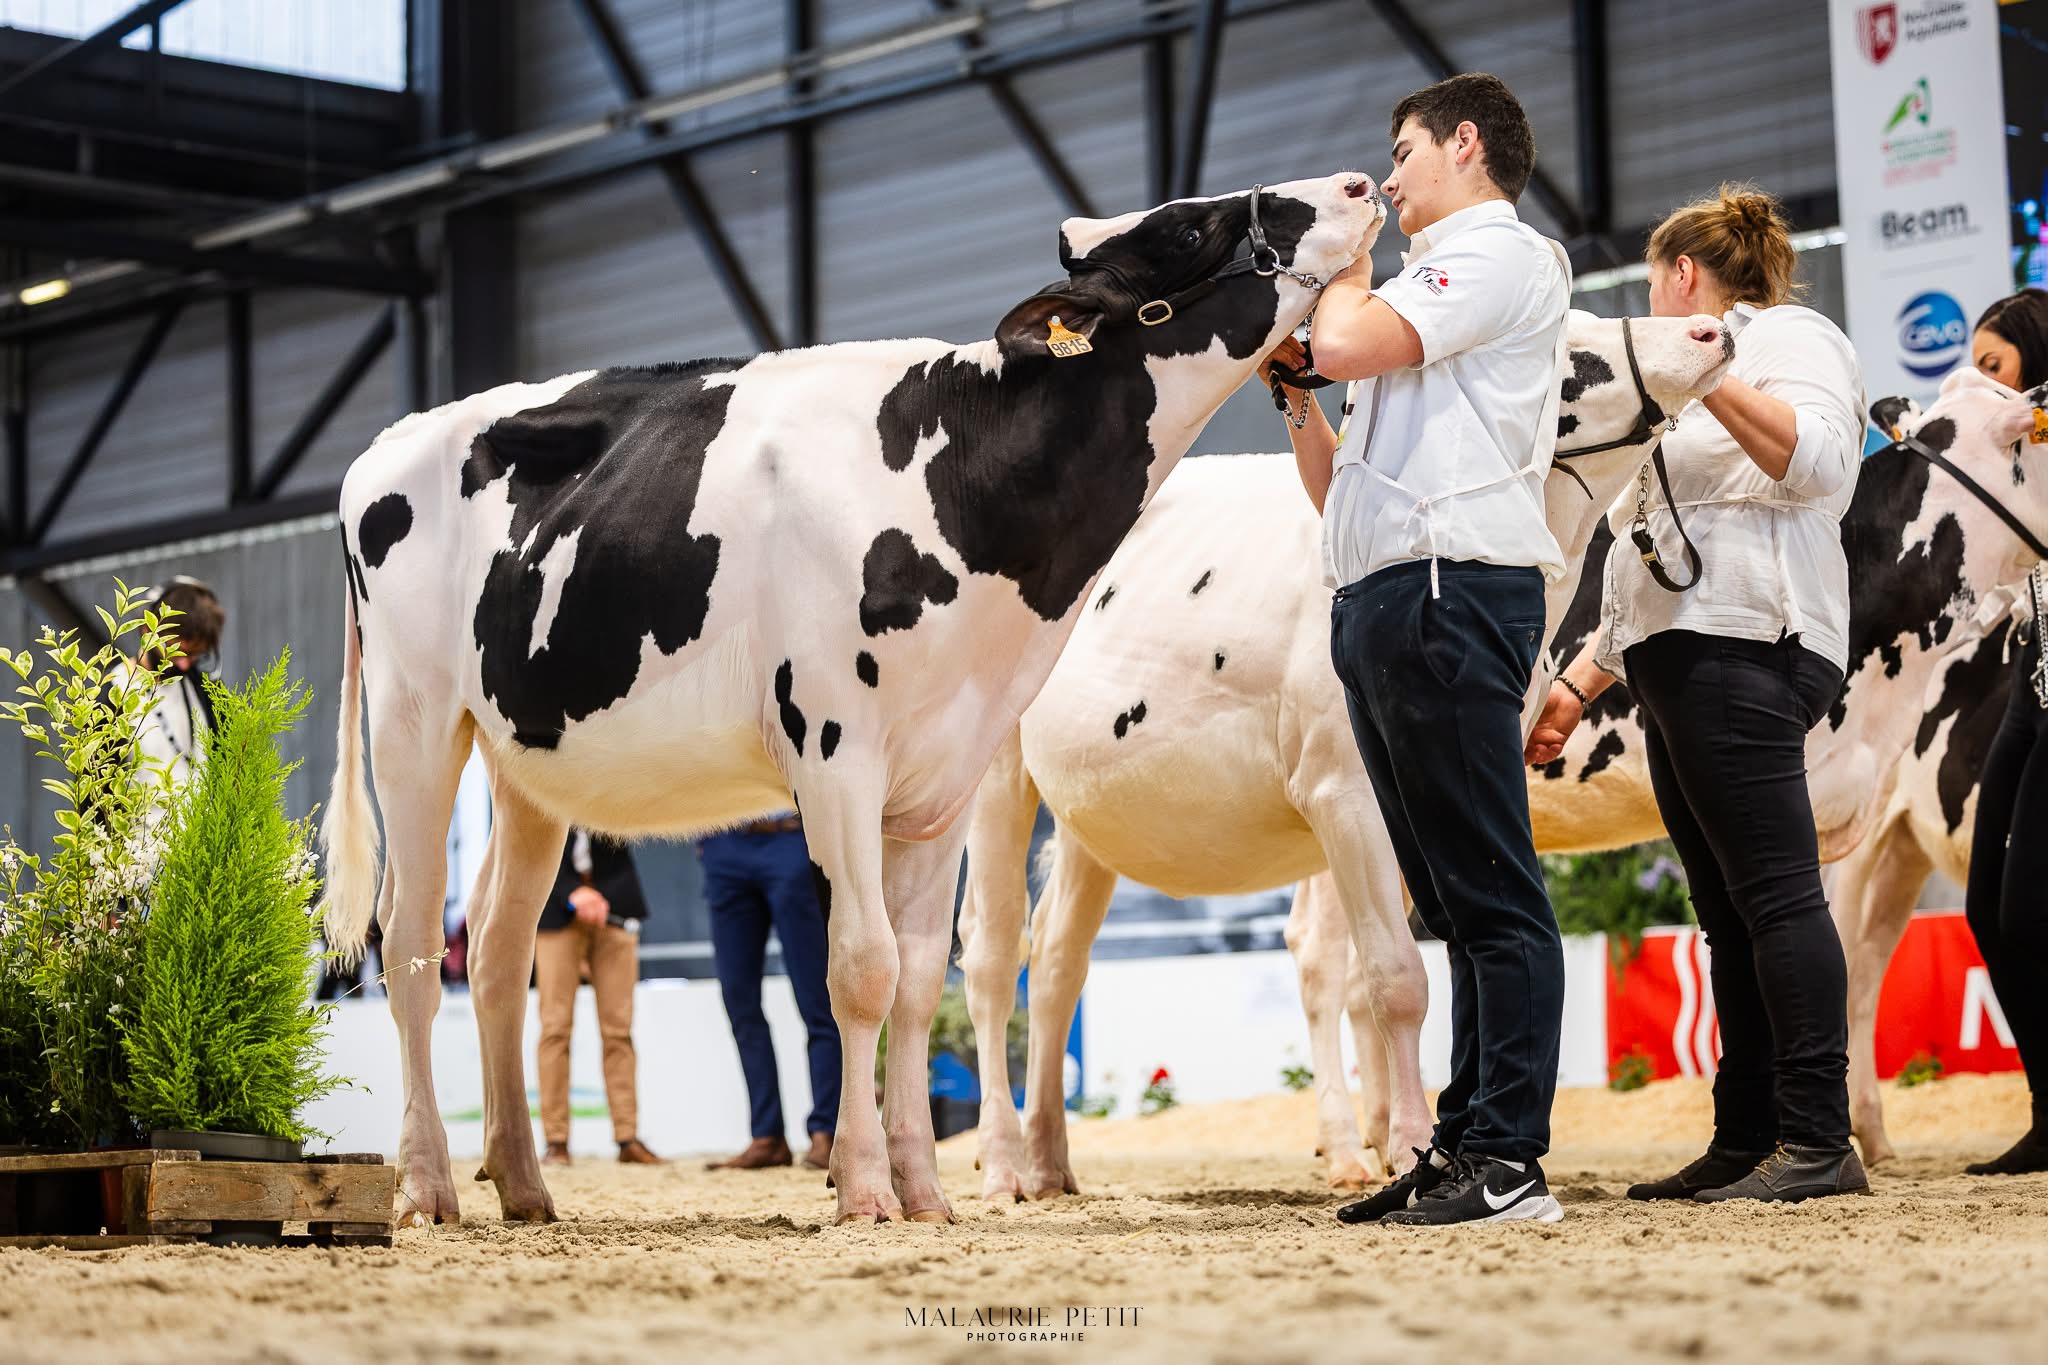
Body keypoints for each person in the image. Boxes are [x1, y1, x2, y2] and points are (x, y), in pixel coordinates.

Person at [1266, 72, 1571, 1227]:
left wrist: (1339, 256)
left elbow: (1344, 340)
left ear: (1465, 143)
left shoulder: (1498, 254)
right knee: (1451, 898)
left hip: (1450, 589)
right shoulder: (1420, 291)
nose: (1386, 181)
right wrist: (1294, 399)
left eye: (1399, 156)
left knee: (1491, 891)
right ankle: (1462, 1146)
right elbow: (1335, 484)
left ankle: (1508, 1160)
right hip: (1385, 592)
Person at [1527, 185, 1867, 1203]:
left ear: (1681, 275)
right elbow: (1652, 549)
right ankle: (1747, 1135)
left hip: (1750, 639)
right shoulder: (1679, 389)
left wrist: (1706, 368)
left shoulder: (1789, 338)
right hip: (1679, 653)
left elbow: (1822, 461)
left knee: (1774, 894)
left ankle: (1819, 1139)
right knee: (1726, 909)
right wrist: (1582, 680)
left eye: (1652, 283)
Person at [1959, 288, 2048, 1176]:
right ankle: (2046, 1108)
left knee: (2027, 907)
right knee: (1987, 903)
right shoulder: (2016, 454)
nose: (1981, 382)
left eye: (1995, 366)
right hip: (2032, 677)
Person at [699, 812, 839, 1172]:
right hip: (725, 839)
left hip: (790, 838)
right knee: (739, 1000)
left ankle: (827, 1132)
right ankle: (767, 1136)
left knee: (818, 1000)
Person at [536, 829, 661, 1166]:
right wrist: (570, 890)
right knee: (555, 1029)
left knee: (619, 1030)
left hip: (615, 905)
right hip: (553, 910)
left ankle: (628, 1137)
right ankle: (556, 1142)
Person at [134, 575, 225, 789]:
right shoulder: (114, 694)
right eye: (177, 651)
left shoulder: (207, 691)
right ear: (147, 630)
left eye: (195, 655)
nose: (184, 665)